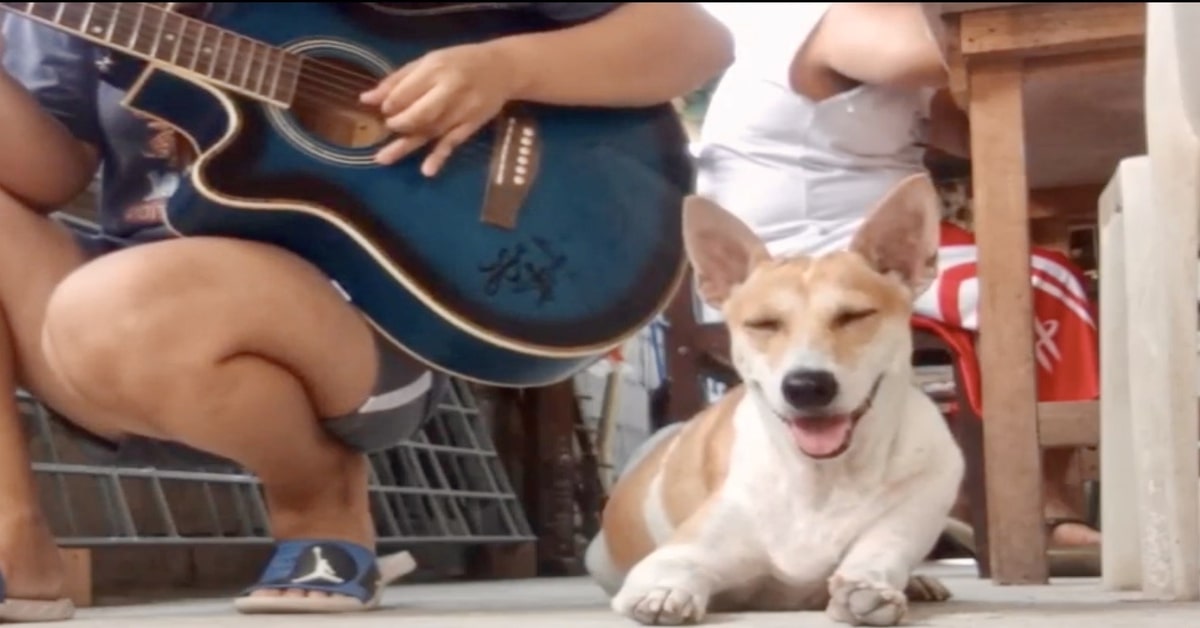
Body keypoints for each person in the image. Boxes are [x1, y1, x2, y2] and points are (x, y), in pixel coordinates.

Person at [0, 3, 733, 620]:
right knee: (95, 292)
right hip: (109, 343)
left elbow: (695, 41)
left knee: (115, 302)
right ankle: (16, 538)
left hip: (349, 333)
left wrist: (504, 68)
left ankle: (320, 504)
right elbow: (52, 173)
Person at [693, 2, 1101, 573]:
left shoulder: (891, 57)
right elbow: (935, 53)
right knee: (1040, 280)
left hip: (855, 242)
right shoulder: (829, 21)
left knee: (1042, 267)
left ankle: (972, 485)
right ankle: (1041, 502)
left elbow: (976, 126)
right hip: (798, 256)